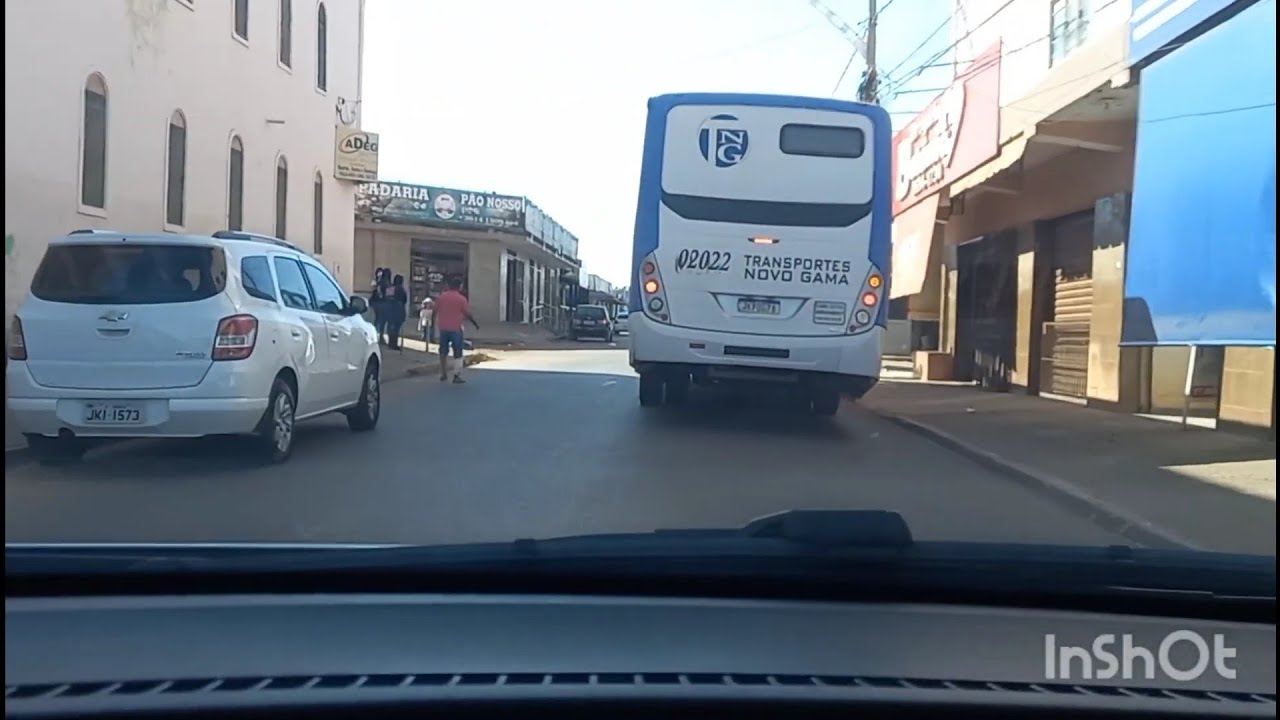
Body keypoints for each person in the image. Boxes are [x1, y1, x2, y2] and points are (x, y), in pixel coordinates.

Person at [434, 276, 479, 384]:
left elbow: (435, 310)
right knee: (458, 352)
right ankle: (456, 375)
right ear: (459, 287)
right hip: (456, 328)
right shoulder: (461, 299)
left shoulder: (442, 297)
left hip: (443, 328)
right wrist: (475, 323)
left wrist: (432, 323)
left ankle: (443, 373)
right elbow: (467, 314)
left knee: (443, 351)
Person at [385, 274, 408, 351]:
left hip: (389, 309)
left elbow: (386, 298)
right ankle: (394, 343)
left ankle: (390, 342)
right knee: (396, 328)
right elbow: (404, 300)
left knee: (390, 326)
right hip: (398, 310)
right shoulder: (401, 289)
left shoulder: (390, 288)